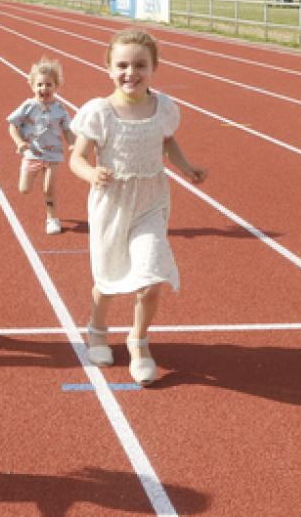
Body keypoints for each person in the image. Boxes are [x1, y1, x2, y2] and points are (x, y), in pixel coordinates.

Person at [68, 29, 207, 386]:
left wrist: (187, 167)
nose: (131, 72)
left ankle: (139, 341)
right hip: (112, 203)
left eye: (140, 65)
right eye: (123, 65)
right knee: (108, 279)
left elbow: (168, 140)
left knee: (151, 274)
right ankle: (97, 330)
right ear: (109, 69)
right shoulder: (99, 112)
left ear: (154, 68)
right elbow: (77, 158)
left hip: (151, 199)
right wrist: (90, 173)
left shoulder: (163, 108)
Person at [6, 57, 75, 235]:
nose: (44, 89)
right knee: (24, 189)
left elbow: (67, 129)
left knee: (49, 188)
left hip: (53, 155)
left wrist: (72, 144)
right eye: (40, 85)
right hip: (32, 154)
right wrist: (20, 142)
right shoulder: (28, 106)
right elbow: (12, 126)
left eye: (48, 85)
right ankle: (33, 175)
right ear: (32, 86)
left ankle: (52, 219)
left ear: (56, 86)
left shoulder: (60, 109)